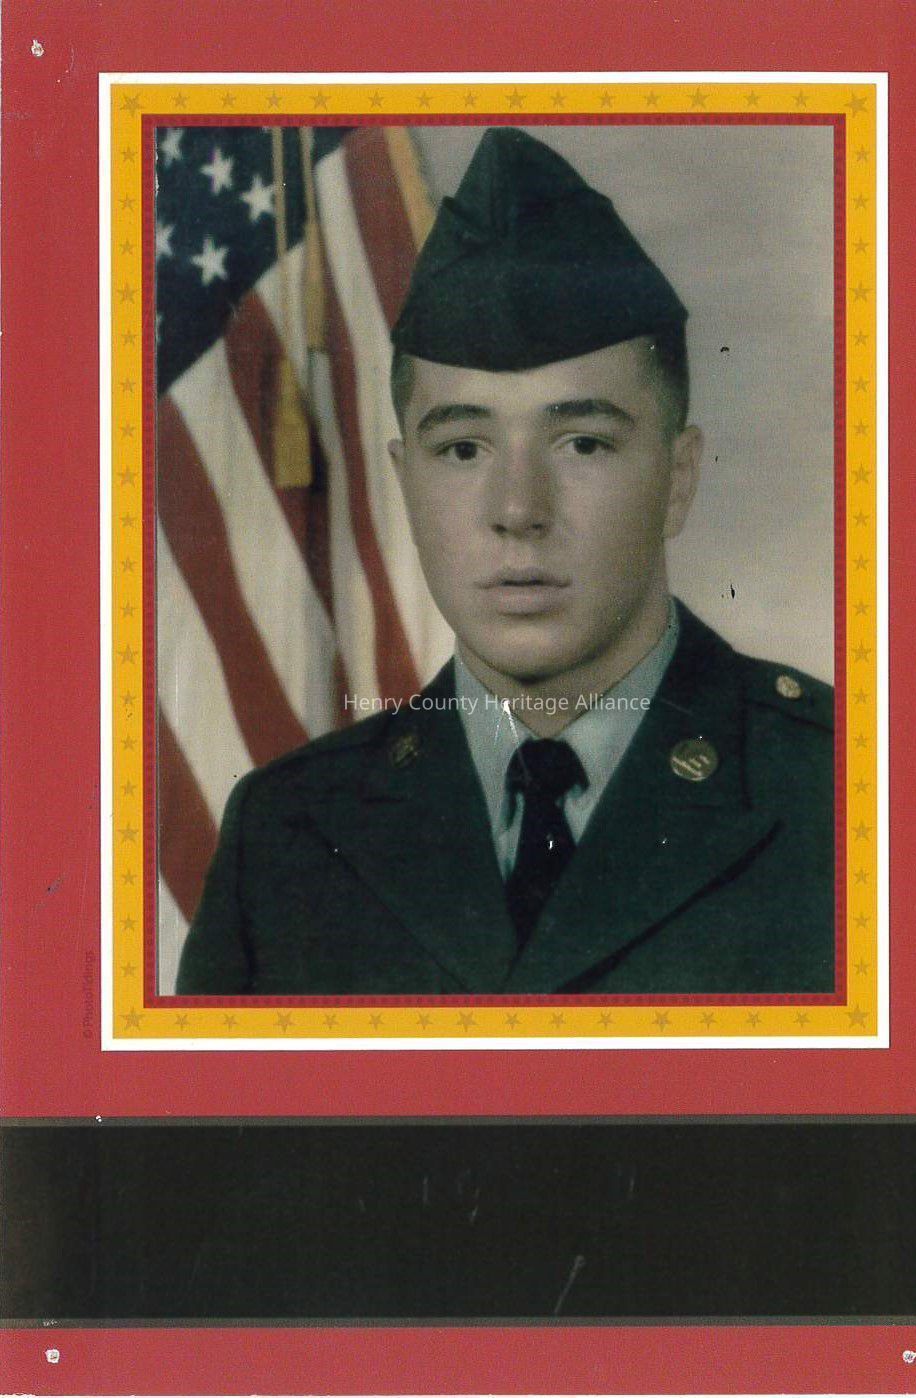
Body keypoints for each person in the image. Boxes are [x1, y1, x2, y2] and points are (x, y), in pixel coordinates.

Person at [176, 128, 835, 997]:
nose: (518, 511)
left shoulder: (850, 795)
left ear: (677, 480)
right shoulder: (284, 836)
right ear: (404, 483)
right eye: (462, 449)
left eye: (584, 443)